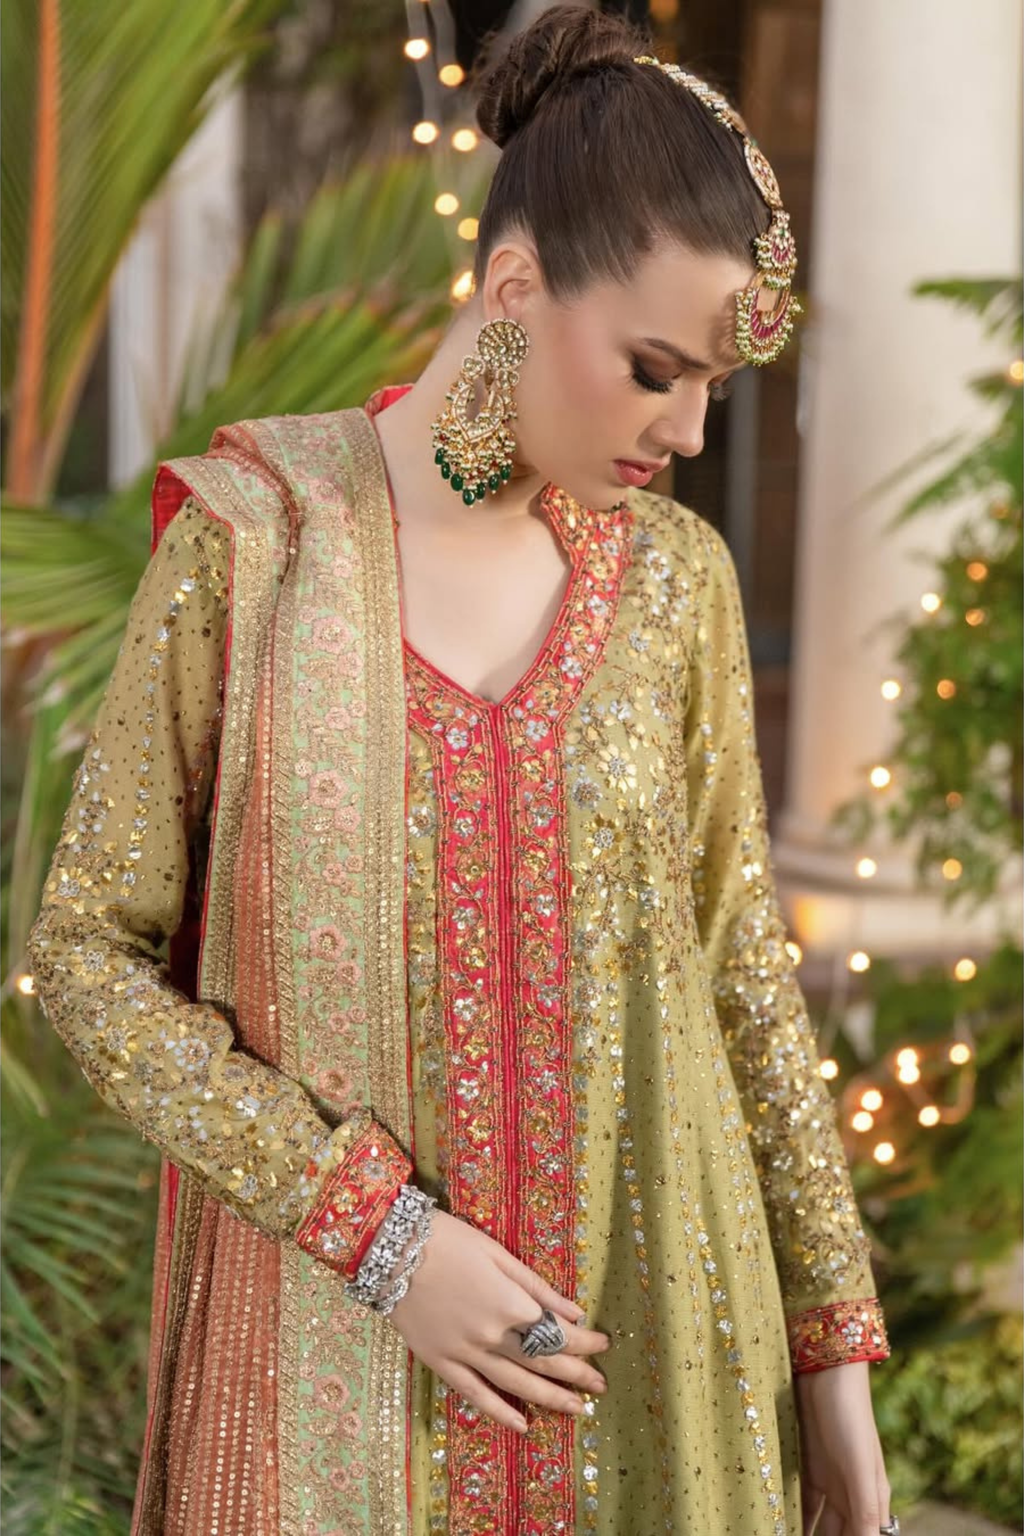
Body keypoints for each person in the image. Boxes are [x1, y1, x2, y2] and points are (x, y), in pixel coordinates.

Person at [25, 6, 899, 1533]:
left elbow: (741, 975)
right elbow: (86, 959)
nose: (689, 430)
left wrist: (836, 1370)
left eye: (714, 387)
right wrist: (376, 1231)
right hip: (321, 1385)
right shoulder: (255, 546)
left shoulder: (676, 585)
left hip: (660, 1396)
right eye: (653, 367)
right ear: (513, 288)